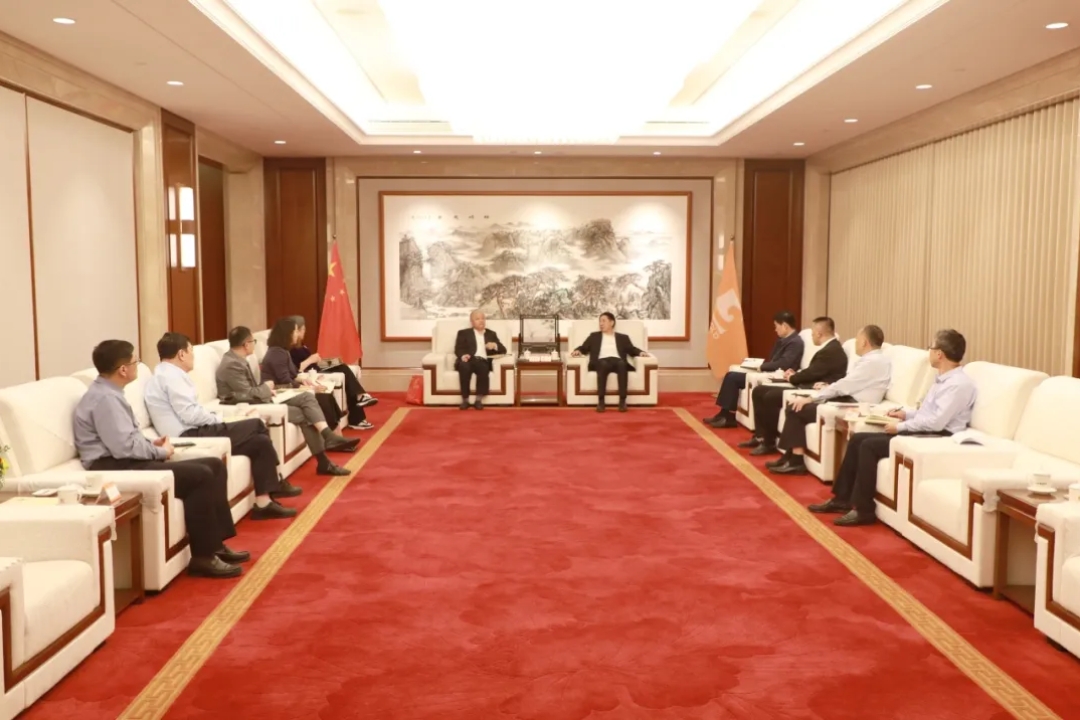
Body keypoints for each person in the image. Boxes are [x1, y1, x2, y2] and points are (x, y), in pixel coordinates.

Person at [73, 340, 247, 579]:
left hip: (123, 458)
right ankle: (203, 557)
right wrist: (161, 452)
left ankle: (215, 545)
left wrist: (150, 444)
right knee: (201, 475)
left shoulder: (109, 393)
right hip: (114, 466)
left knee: (214, 465)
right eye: (135, 361)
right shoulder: (105, 400)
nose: (137, 365)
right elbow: (124, 448)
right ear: (123, 369)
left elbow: (126, 438)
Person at [808, 329, 976, 526]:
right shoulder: (942, 379)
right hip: (926, 428)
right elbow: (926, 413)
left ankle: (864, 509)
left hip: (938, 436)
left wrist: (900, 427)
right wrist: (905, 414)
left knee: (869, 446)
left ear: (939, 354)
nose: (928, 352)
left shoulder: (958, 385)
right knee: (858, 438)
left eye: (930, 347)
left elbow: (936, 423)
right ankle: (842, 499)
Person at [143, 332, 298, 521]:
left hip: (192, 429)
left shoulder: (165, 374)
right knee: (256, 424)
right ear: (181, 354)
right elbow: (190, 415)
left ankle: (263, 503)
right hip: (190, 435)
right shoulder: (172, 377)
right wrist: (220, 419)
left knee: (259, 442)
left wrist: (225, 418)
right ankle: (278, 480)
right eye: (191, 351)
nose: (193, 357)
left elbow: (191, 411)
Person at [769, 324, 891, 475]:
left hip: (854, 404)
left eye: (857, 339)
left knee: (797, 409)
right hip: (849, 397)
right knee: (796, 406)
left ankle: (796, 461)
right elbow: (851, 383)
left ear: (864, 342)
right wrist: (828, 387)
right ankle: (790, 456)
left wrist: (811, 398)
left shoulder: (872, 362)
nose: (855, 343)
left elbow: (845, 385)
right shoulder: (875, 360)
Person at [258, 319, 359, 475]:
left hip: (283, 393)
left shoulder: (283, 351)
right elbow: (285, 381)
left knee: (306, 414)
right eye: (294, 331)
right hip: (275, 395)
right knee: (308, 397)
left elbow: (293, 374)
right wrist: (307, 387)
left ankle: (324, 461)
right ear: (286, 334)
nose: (297, 334)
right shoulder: (276, 353)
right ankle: (328, 438)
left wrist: (303, 380)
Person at [741, 317, 847, 456]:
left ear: (819, 333)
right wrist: (795, 374)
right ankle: (760, 436)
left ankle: (769, 442)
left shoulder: (831, 351)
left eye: (813, 333)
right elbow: (813, 370)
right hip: (807, 383)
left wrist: (792, 377)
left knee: (770, 397)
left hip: (811, 388)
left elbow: (812, 373)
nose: (812, 336)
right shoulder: (829, 348)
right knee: (759, 391)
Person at [704, 311, 804, 429]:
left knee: (733, 378)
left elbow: (784, 364)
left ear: (785, 326)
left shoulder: (795, 342)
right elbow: (772, 359)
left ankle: (728, 417)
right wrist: (754, 363)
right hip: (770, 371)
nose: (775, 330)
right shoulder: (782, 340)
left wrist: (760, 367)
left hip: (778, 375)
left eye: (776, 326)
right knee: (730, 375)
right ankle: (724, 413)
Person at [289, 315, 376, 430]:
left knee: (342, 367)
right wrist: (310, 359)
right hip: (310, 374)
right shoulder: (289, 349)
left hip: (316, 369)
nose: (304, 332)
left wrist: (323, 361)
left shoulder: (302, 345)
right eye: (302, 329)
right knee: (344, 371)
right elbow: (295, 369)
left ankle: (359, 403)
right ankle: (358, 407)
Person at [570, 312, 650, 412]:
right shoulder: (594, 336)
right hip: (600, 361)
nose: (601, 324)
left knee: (622, 364)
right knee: (603, 364)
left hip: (617, 360)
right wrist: (578, 351)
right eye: (600, 321)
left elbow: (632, 349)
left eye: (604, 321)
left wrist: (641, 352)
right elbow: (584, 347)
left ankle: (622, 401)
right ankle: (601, 401)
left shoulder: (623, 338)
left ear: (612, 322)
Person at [454, 309, 507, 410]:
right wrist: (464, 355)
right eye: (477, 319)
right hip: (468, 359)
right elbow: (458, 349)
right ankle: (465, 400)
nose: (481, 321)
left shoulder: (491, 334)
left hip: (482, 360)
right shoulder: (463, 333)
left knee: (483, 368)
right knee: (464, 366)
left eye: (483, 318)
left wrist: (495, 345)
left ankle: (478, 400)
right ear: (472, 322)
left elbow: (503, 350)